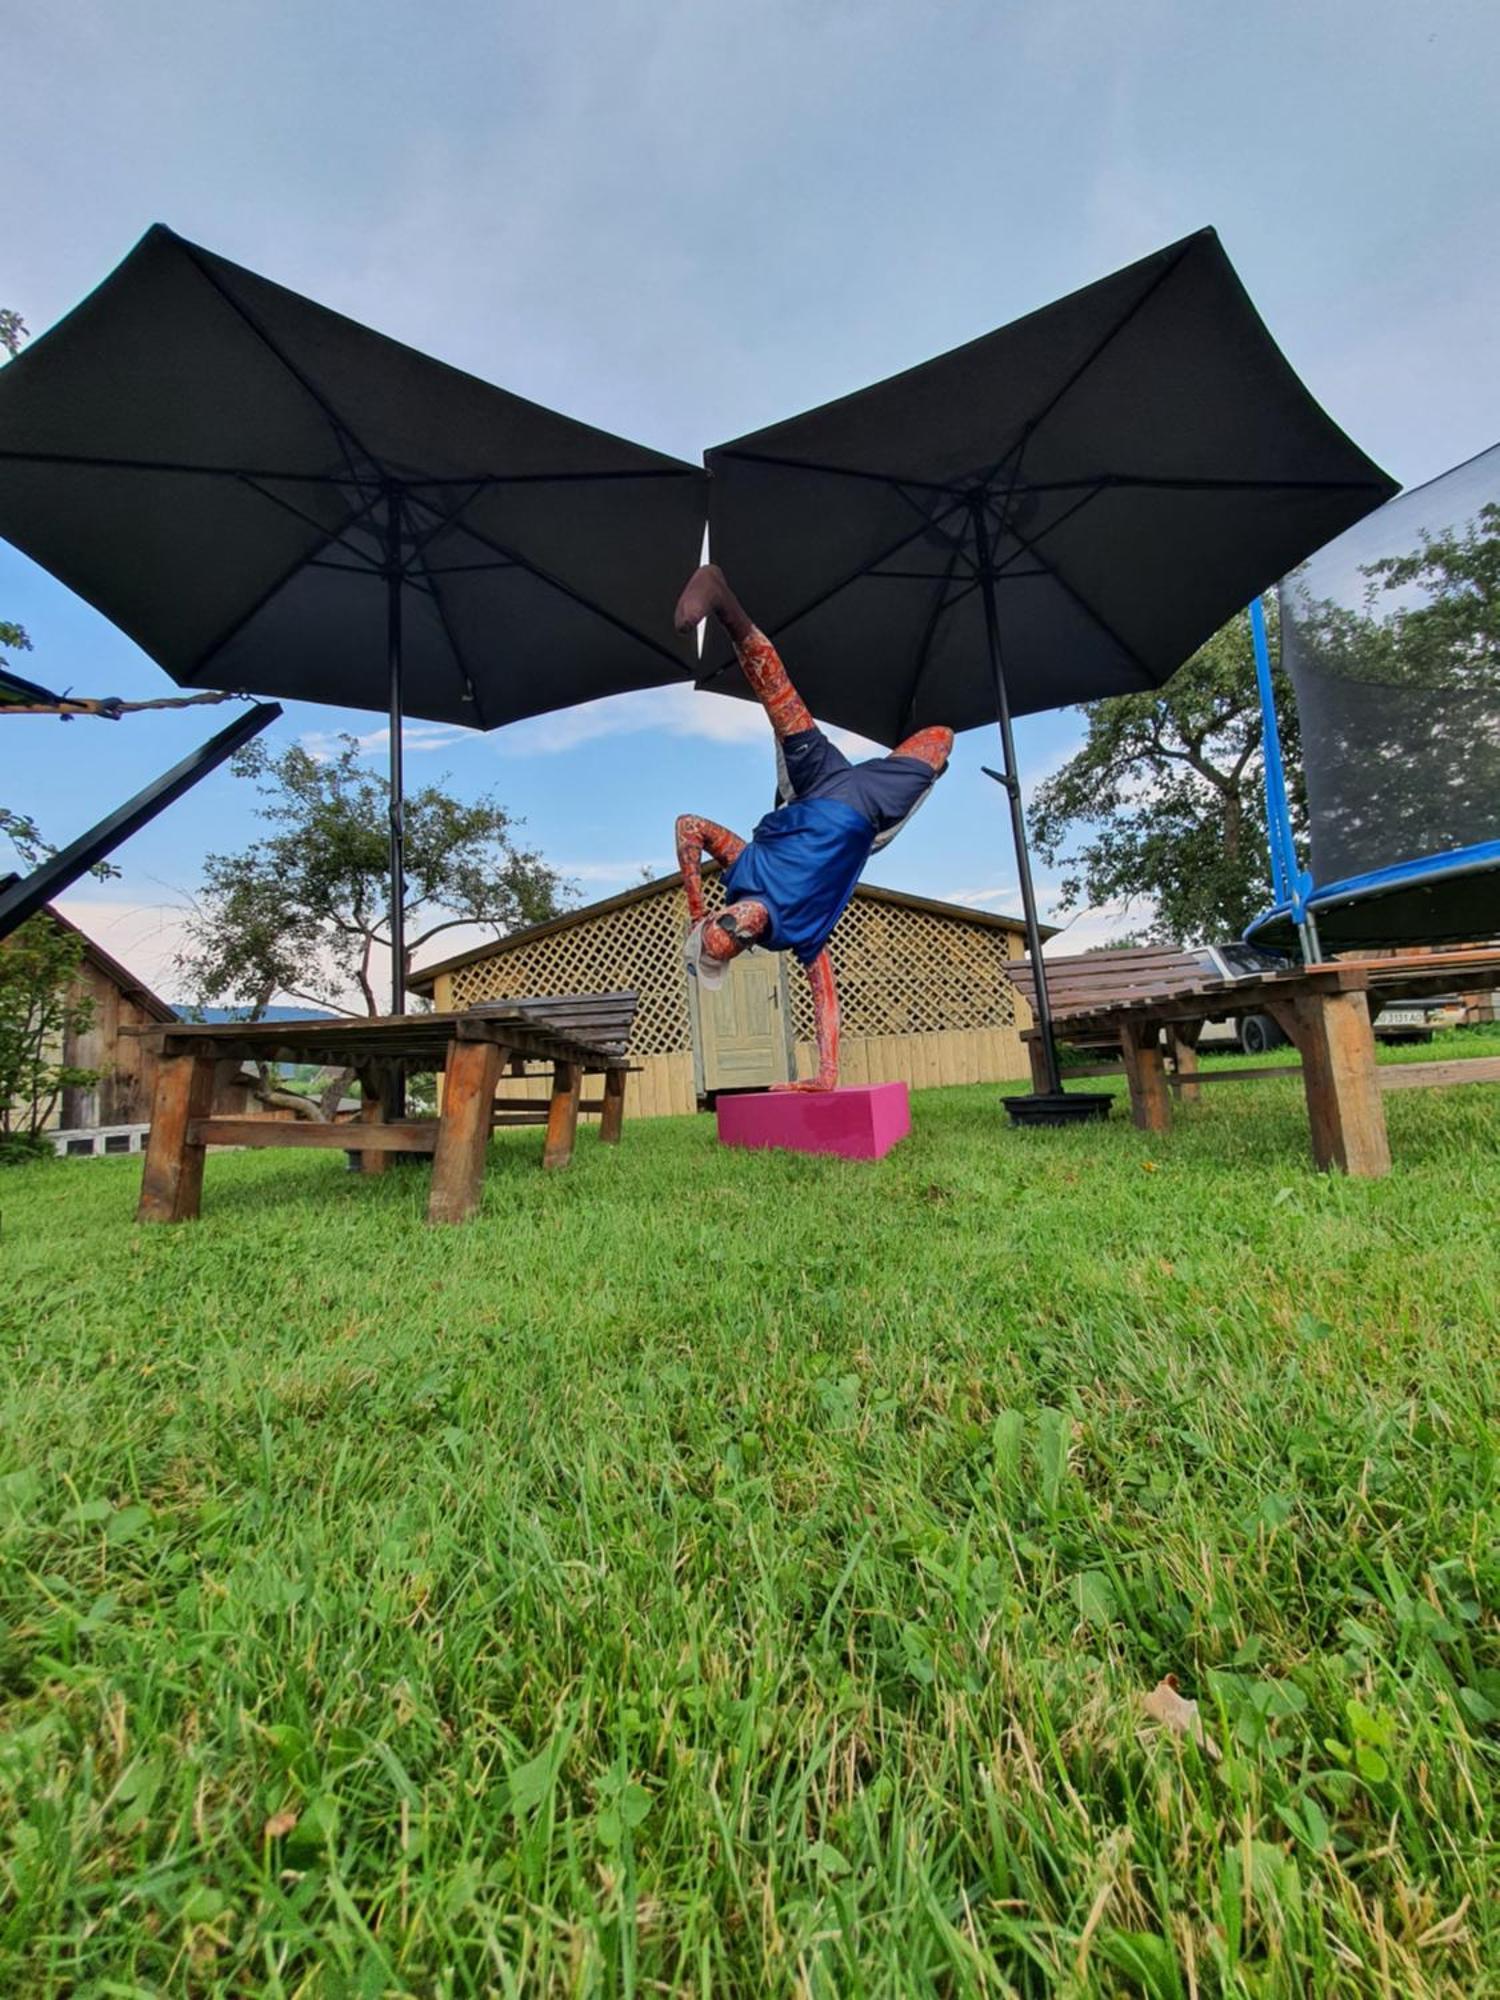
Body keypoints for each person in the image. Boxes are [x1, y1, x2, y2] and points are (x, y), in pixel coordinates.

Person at [673, 564, 954, 1091]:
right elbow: (826, 995)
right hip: (864, 815)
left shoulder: (743, 871)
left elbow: (690, 826)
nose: (731, 932)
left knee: (782, 704)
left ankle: (723, 601)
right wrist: (826, 1074)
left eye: (719, 929)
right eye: (728, 945)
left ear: (721, 913)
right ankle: (894, 763)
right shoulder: (803, 935)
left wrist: (694, 910)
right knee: (941, 738)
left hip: (812, 785)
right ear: (744, 948)